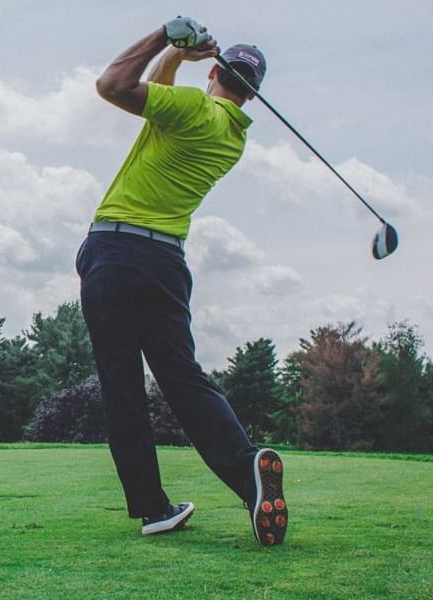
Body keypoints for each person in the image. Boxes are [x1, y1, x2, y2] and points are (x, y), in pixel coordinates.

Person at [75, 17, 287, 546]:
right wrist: (177, 58)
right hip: (166, 263)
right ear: (253, 97)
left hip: (117, 252)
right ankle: (247, 474)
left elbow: (113, 85)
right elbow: (161, 96)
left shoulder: (194, 109)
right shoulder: (230, 134)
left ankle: (152, 507)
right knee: (184, 379)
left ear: (215, 72)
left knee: (122, 385)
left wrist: (162, 37)